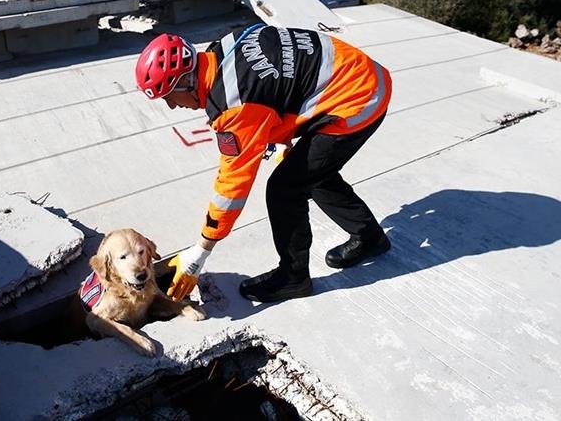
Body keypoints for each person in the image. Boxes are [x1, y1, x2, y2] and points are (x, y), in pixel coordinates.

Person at [134, 24, 392, 303]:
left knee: (285, 188)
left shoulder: (234, 103)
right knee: (312, 173)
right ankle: (370, 237)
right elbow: (277, 85)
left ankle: (293, 278)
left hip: (358, 99)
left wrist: (200, 251)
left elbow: (232, 187)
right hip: (357, 73)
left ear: (187, 81)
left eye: (169, 96)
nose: (172, 106)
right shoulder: (221, 49)